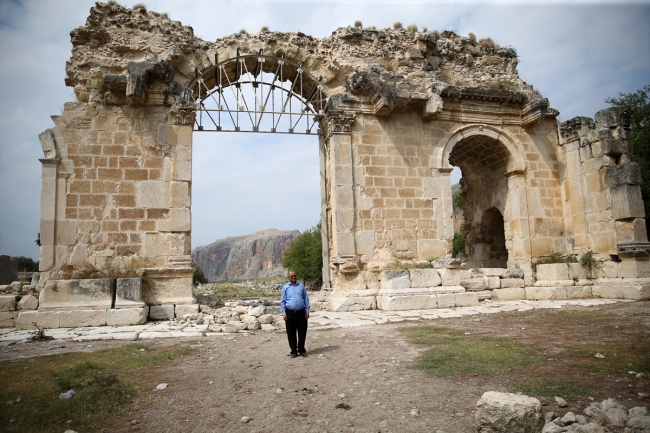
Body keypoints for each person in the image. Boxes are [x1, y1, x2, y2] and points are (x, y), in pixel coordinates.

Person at [280, 270, 310, 358]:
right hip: (290, 313)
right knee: (291, 333)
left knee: (302, 332)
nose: (293, 277)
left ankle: (302, 350)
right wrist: (284, 313)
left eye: (295, 275)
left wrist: (307, 310)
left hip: (301, 312)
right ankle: (293, 351)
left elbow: (306, 298)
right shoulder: (285, 288)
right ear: (288, 277)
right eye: (291, 276)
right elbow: (283, 301)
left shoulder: (301, 286)